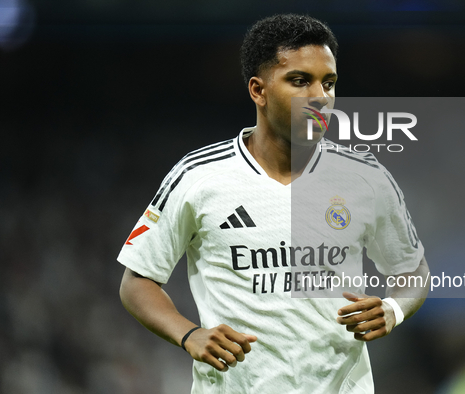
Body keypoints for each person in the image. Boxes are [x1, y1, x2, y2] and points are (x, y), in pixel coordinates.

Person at [118, 13, 430, 394]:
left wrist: (393, 310)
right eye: (300, 81)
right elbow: (137, 281)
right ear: (258, 90)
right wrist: (189, 335)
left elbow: (412, 269)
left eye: (328, 83)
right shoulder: (198, 176)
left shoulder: (365, 177)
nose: (320, 96)